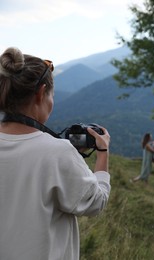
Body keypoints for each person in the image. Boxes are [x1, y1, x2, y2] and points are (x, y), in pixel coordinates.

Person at [0, 47, 111, 260]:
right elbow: (96, 202)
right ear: (41, 93)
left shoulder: (57, 152)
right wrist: (103, 153)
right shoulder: (57, 152)